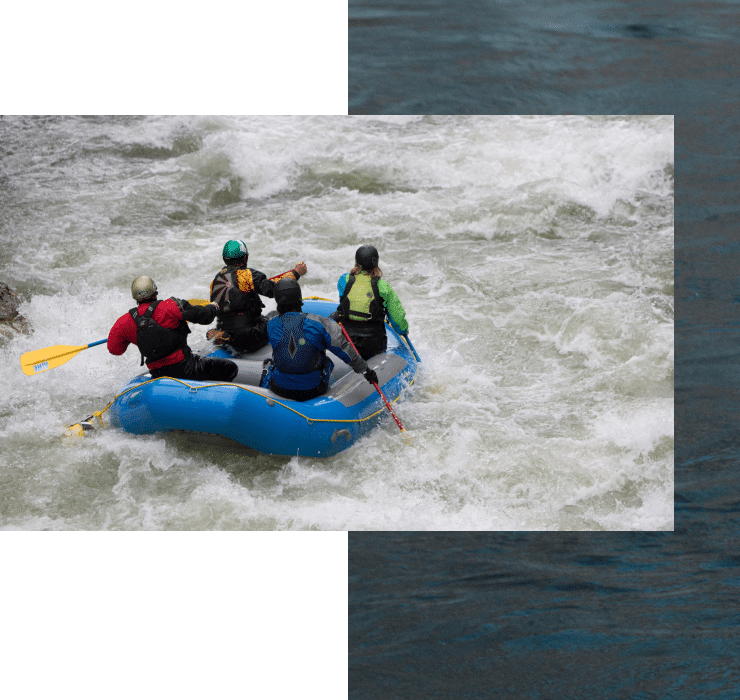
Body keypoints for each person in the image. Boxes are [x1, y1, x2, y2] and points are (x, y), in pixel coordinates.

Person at [260, 278, 378, 402]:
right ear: (299, 300)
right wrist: (366, 370)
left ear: (278, 302)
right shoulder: (320, 324)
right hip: (313, 390)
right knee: (327, 362)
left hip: (280, 389)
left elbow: (294, 329)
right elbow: (344, 349)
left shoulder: (271, 324)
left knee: (270, 365)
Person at [108, 276, 239, 382]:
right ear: (155, 291)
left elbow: (115, 350)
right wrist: (213, 307)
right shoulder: (170, 306)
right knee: (230, 368)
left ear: (135, 297)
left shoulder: (124, 322)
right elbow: (204, 317)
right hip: (187, 368)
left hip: (157, 373)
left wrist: (130, 337)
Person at [207, 239, 307, 353]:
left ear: (225, 259)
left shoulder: (215, 281)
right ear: (244, 258)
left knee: (264, 317)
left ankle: (224, 335)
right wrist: (296, 273)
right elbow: (273, 289)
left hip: (225, 328)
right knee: (275, 316)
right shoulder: (246, 275)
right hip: (249, 336)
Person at [332, 244, 409, 360]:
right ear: (376, 264)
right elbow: (397, 320)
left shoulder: (344, 280)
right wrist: (404, 330)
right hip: (373, 346)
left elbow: (345, 304)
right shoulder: (383, 287)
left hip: (348, 343)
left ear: (357, 263)